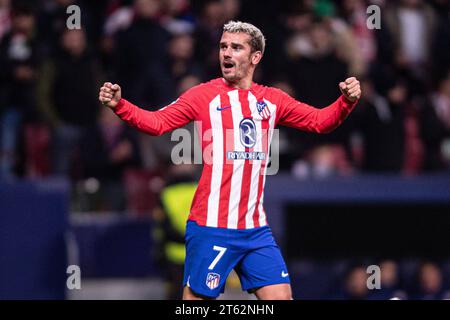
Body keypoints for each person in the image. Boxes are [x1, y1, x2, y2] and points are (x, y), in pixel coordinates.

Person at [98, 21, 361, 300]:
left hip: (255, 230)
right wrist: (120, 105)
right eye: (223, 46)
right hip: (212, 227)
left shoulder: (272, 100)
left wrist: (345, 102)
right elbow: (157, 122)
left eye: (236, 47)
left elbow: (320, 122)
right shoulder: (203, 95)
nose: (226, 53)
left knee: (282, 298)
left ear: (255, 57)